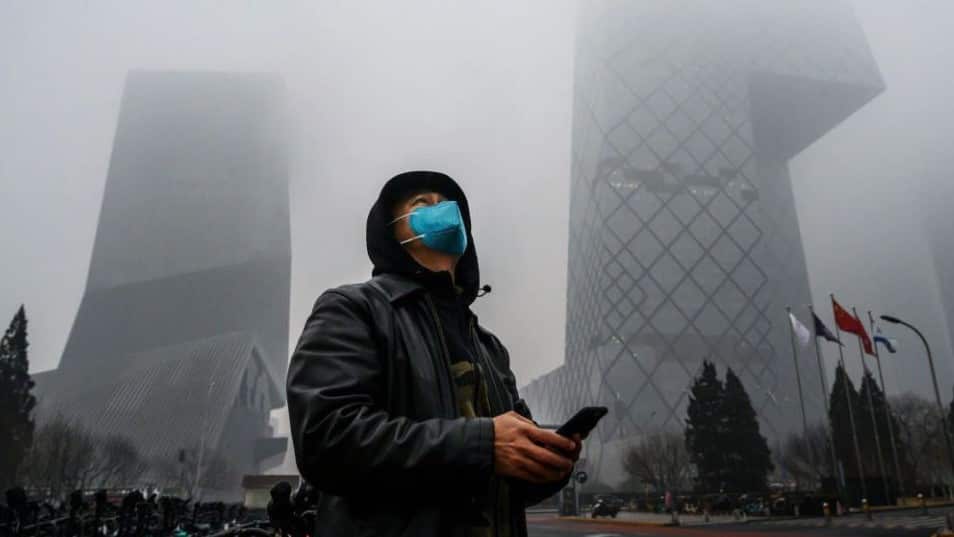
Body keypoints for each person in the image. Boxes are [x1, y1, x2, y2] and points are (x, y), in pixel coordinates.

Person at [287, 170, 583, 537]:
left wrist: (547, 462)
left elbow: (507, 478)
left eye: (447, 205)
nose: (439, 209)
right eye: (421, 204)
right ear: (391, 231)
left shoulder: (487, 346)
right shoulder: (354, 310)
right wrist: (483, 443)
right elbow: (326, 438)